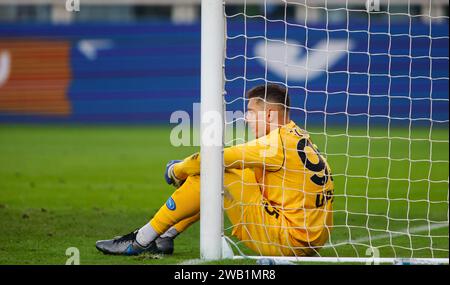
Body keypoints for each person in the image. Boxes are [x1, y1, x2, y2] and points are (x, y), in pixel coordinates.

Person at [95, 83, 334, 257]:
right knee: (233, 173)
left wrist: (176, 170)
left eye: (251, 112)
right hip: (311, 238)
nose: (246, 119)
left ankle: (140, 239)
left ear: (269, 114)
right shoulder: (298, 136)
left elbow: (213, 158)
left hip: (288, 240)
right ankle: (166, 236)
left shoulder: (273, 145)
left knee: (217, 170)